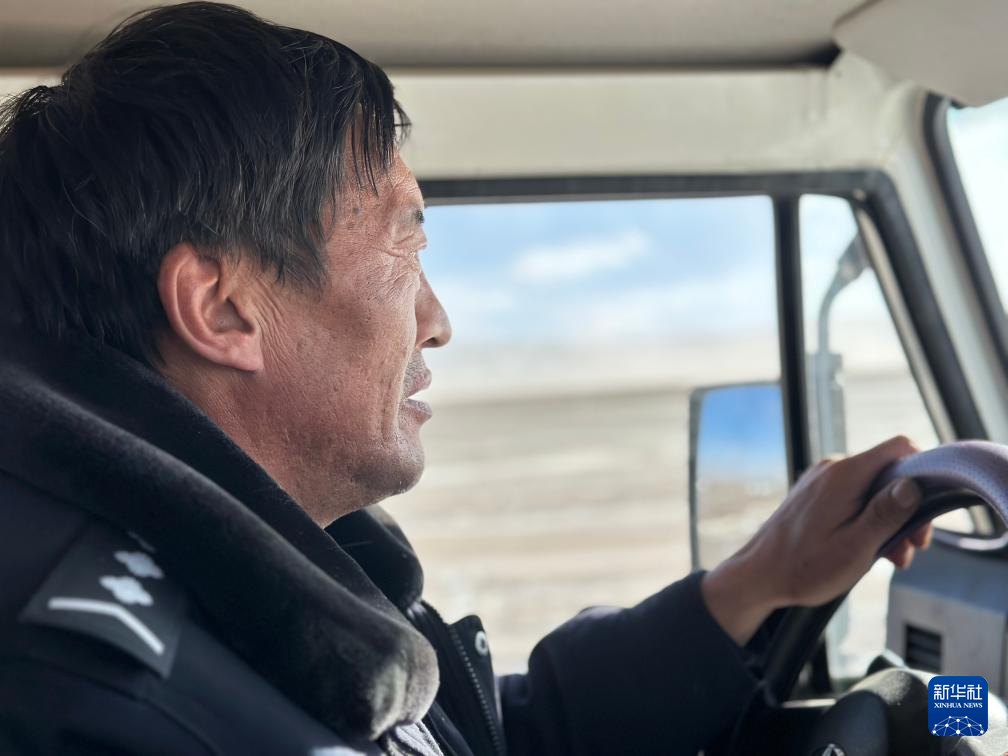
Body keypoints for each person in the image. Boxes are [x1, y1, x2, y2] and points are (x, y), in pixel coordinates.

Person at [0, 4, 931, 754]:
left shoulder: (268, 597)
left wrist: (760, 580)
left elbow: (482, 739)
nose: (437, 321)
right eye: (403, 248)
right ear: (224, 308)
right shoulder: (106, 701)